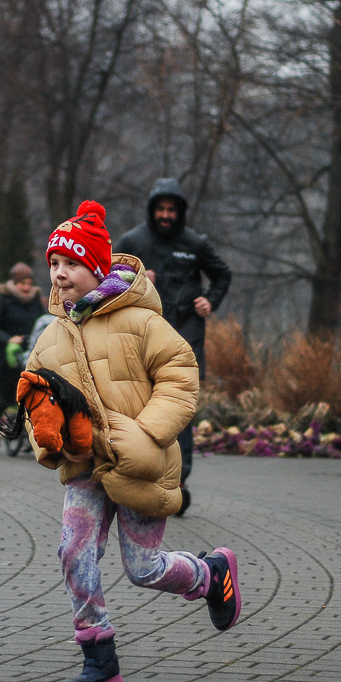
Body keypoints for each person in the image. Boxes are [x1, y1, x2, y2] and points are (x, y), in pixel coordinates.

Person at [25, 200, 242, 682]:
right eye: (54, 264)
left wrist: (146, 434)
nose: (59, 274)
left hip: (141, 464)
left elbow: (181, 376)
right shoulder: (52, 335)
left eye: (71, 264)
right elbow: (35, 393)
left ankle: (209, 573)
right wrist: (48, 432)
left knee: (142, 569)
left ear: (97, 268)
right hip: (86, 467)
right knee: (73, 552)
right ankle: (99, 657)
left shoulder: (140, 321)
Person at [113, 177, 231, 515]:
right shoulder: (133, 241)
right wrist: (135, 279)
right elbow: (106, 279)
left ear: (180, 212)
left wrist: (211, 300)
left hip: (185, 335)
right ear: (152, 211)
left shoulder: (195, 243)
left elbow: (223, 274)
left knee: (180, 408)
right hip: (142, 336)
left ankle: (178, 480)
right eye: (160, 209)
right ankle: (139, 474)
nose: (166, 215)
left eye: (171, 209)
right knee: (140, 404)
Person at [0, 262, 45, 447]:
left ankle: (28, 434)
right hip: (6, 356)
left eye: (29, 283)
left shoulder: (35, 301)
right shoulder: (4, 300)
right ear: (14, 283)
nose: (26, 288)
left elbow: (42, 322)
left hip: (28, 352)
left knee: (29, 394)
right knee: (8, 395)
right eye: (22, 283)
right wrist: (8, 339)